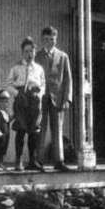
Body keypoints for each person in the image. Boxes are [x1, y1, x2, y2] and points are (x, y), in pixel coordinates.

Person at [5, 37, 46, 171]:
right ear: (22, 52)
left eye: (32, 51)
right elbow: (8, 85)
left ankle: (32, 160)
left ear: (35, 52)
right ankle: (19, 161)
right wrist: (17, 94)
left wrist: (39, 94)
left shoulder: (39, 68)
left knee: (34, 131)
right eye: (26, 51)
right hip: (21, 99)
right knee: (21, 129)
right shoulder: (16, 68)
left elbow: (43, 85)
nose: (29, 54)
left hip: (34, 100)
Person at [36, 26, 73, 171]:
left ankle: (59, 161)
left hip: (57, 99)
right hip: (41, 98)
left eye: (52, 39)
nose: (49, 42)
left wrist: (67, 99)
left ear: (56, 39)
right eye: (46, 39)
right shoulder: (37, 56)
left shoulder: (63, 56)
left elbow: (68, 80)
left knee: (57, 129)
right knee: (41, 129)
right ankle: (39, 160)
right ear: (42, 39)